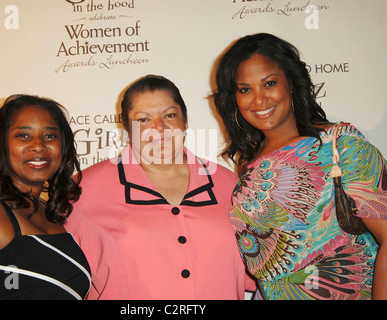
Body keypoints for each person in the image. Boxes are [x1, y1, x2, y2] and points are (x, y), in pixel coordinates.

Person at [213, 32, 387, 300]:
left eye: (269, 83)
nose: (258, 100)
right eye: (245, 89)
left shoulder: (341, 145)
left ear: (291, 84)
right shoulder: (248, 162)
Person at [65, 74, 255, 299]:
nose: (159, 127)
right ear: (126, 128)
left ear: (185, 122)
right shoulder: (83, 190)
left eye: (170, 115)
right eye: (143, 119)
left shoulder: (232, 186)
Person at [0, 94, 91, 300]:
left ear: (63, 147)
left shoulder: (51, 214)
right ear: (1, 144)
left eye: (50, 136)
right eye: (23, 136)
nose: (38, 146)